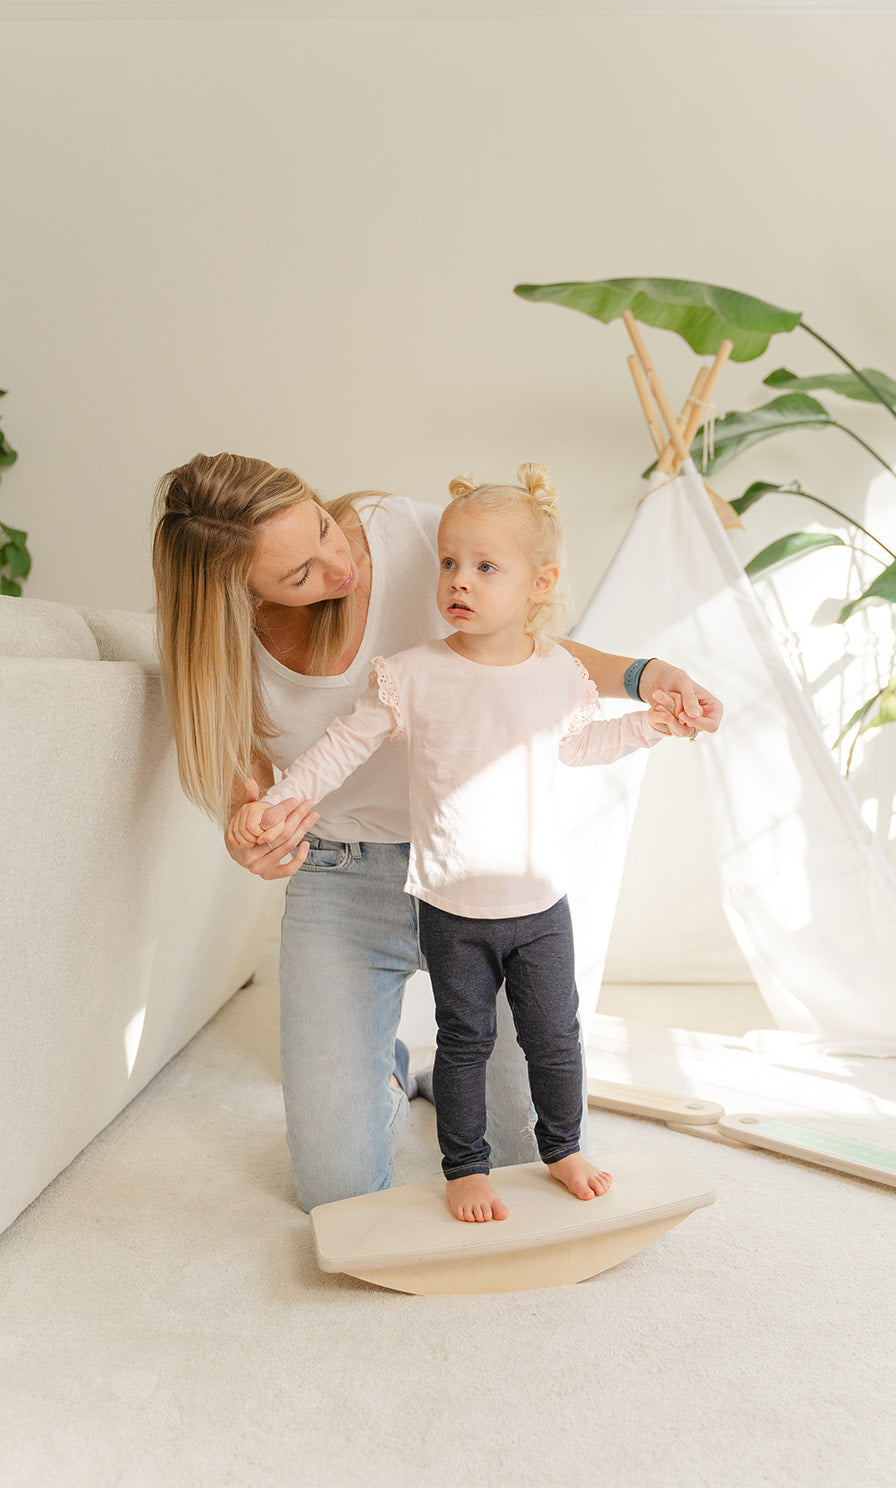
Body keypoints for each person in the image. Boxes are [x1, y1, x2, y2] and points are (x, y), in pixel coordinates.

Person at [152, 451, 723, 1213]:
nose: (338, 565)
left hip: (497, 887)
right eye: (299, 575)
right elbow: (272, 775)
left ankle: (450, 1085)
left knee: (530, 1159)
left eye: (322, 528)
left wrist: (645, 686)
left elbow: (533, 659)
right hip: (346, 879)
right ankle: (387, 1073)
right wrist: (251, 826)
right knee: (337, 1196)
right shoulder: (264, 655)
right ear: (239, 594)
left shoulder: (421, 533)